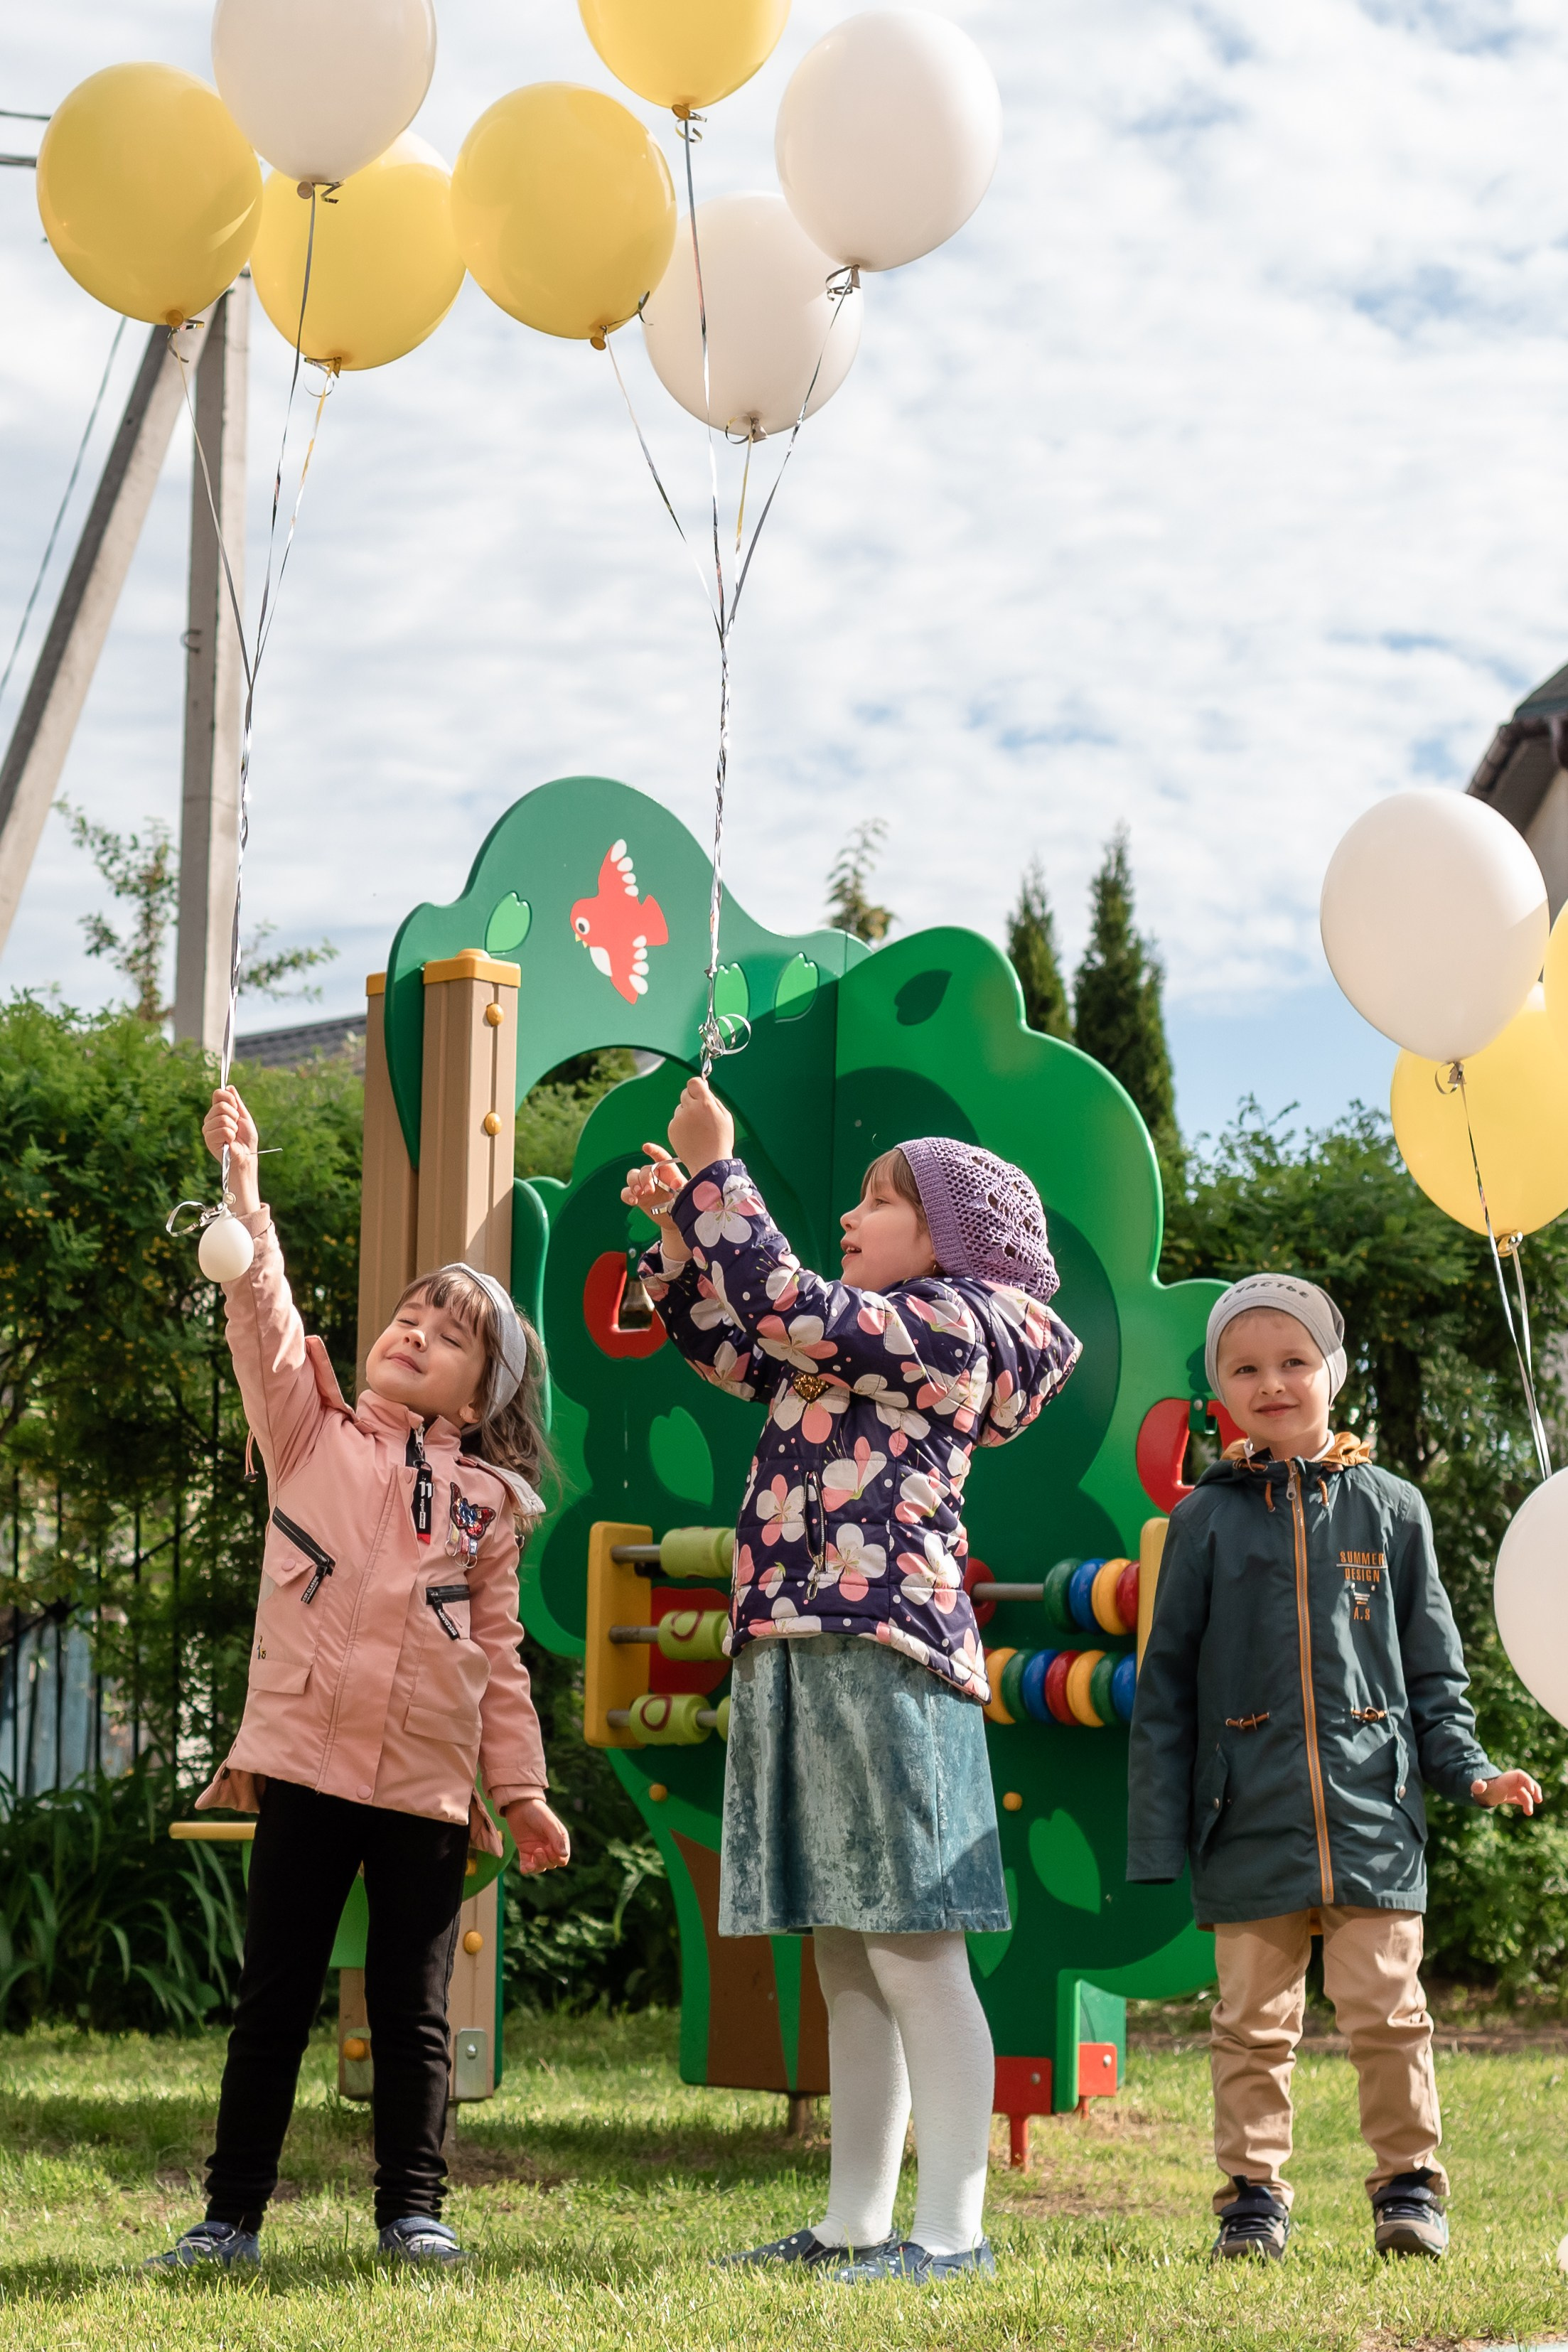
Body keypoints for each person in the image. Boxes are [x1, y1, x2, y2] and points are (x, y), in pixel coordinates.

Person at [623, 1075, 1081, 2283]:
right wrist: (681, 1234)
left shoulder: (951, 1331)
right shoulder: (845, 1347)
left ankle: (954, 2233)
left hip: (886, 1646)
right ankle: (854, 2225)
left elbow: (786, 1304)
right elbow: (737, 1342)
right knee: (842, 1947)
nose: (849, 1214)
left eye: (878, 1201)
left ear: (945, 1239)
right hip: (797, 1637)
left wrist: (720, 1172)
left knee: (912, 1946)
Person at [149, 1085, 571, 2272]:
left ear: (482, 1395)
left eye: (448, 1332)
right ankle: (229, 2214)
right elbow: (264, 1317)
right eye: (408, 1313)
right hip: (301, 1769)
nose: (414, 1332)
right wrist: (244, 1193)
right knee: (272, 1999)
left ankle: (414, 2209)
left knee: (413, 2009)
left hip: (428, 1794)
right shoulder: (309, 1433)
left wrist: (522, 1794)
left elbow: (500, 1666)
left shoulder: (491, 1503)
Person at [1128, 1273, 1542, 2265]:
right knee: (1247, 2025)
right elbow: (1164, 1692)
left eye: (1292, 1361)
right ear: (1220, 1391)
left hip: (1372, 1816)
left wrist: (1471, 1770)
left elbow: (1434, 1676)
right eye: (1246, 1367)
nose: (1272, 1381)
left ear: (1332, 1370)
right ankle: (1251, 2197)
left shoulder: (1392, 1508)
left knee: (1390, 2017)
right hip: (1244, 1817)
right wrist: (1156, 1837)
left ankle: (1407, 2188)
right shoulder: (1202, 1521)